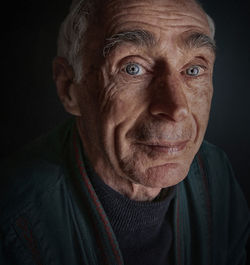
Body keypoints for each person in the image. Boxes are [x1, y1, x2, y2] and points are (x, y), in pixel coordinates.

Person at [0, 0, 249, 264]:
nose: (176, 109)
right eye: (133, 68)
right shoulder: (11, 221)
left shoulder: (216, 171)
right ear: (69, 88)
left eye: (193, 69)